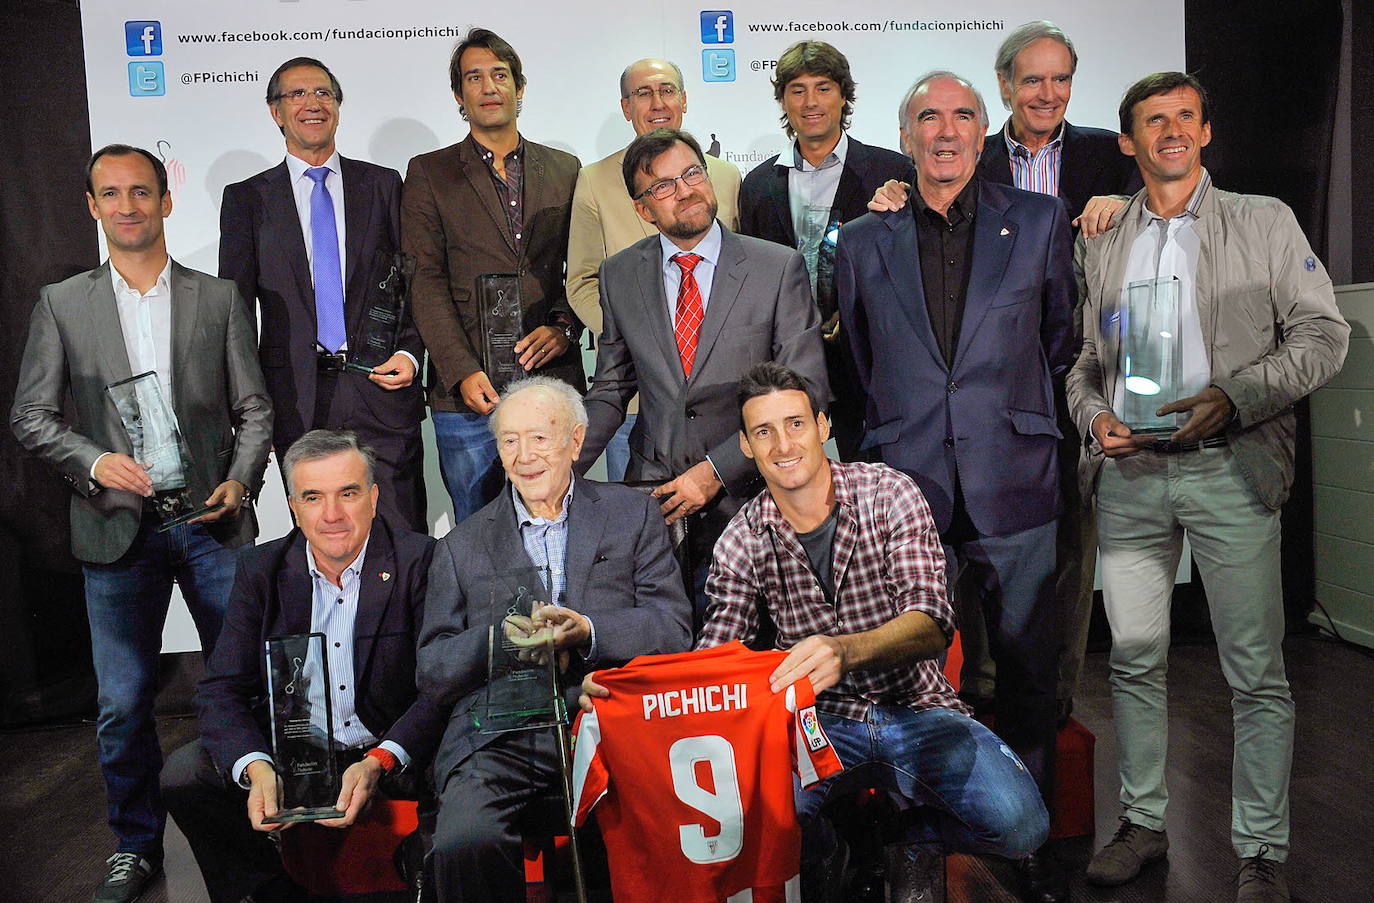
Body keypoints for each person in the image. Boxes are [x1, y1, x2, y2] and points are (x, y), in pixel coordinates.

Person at [584, 362, 1050, 903]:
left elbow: (932, 623)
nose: (784, 444)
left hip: (919, 709)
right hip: (817, 723)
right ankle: (834, 848)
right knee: (758, 823)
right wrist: (624, 693)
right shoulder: (742, 538)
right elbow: (717, 658)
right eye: (764, 432)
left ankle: (910, 834)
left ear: (823, 427)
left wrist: (843, 651)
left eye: (796, 424)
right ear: (746, 446)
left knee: (1022, 827)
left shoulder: (890, 493)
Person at [1067, 72, 1348, 903]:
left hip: (1232, 467)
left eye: (1185, 117)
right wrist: (1092, 420)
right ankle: (1144, 823)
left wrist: (1237, 397)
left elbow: (1324, 334)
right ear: (1129, 142)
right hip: (1130, 474)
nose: (1172, 131)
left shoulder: (1263, 220)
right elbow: (1087, 362)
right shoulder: (1104, 236)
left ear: (1206, 130)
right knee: (1135, 657)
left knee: (1255, 671)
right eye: (1154, 121)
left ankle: (1260, 849)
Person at [835, 71, 1075, 902]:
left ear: (985, 131)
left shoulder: (1040, 221)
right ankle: (919, 840)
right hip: (907, 486)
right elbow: (859, 363)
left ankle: (1026, 842)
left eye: (962, 115)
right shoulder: (863, 239)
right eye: (927, 117)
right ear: (905, 136)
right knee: (907, 672)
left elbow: (1058, 341)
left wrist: (1006, 418)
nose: (945, 131)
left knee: (1027, 669)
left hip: (1015, 479)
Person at [10, 144, 272, 903]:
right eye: (111, 194)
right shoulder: (63, 303)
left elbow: (253, 407)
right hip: (113, 525)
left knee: (241, 683)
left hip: (212, 522)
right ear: (92, 206)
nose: (128, 206)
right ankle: (133, 844)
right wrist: (93, 461)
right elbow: (30, 414)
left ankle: (256, 827)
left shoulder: (218, 298)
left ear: (165, 201)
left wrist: (240, 478)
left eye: (141, 192)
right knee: (123, 703)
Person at [419, 377, 693, 902]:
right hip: (501, 736)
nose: (524, 456)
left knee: (651, 835)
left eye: (540, 438)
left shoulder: (630, 514)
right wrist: (500, 641)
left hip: (613, 720)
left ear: (575, 441)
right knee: (464, 839)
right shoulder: (460, 546)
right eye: (509, 441)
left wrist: (589, 631)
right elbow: (433, 669)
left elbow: (672, 625)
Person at [161, 430, 445, 903]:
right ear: (294, 506)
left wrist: (382, 758)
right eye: (313, 497)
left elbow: (440, 687)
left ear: (374, 498)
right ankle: (272, 893)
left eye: (348, 493)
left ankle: (422, 873)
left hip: (390, 745)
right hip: (298, 749)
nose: (331, 515)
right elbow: (221, 688)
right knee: (185, 775)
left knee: (461, 761)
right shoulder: (261, 570)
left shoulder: (421, 560)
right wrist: (256, 767)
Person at [575, 127, 828, 618]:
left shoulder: (776, 268)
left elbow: (807, 389)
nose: (686, 190)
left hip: (752, 493)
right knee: (666, 650)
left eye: (692, 173)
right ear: (643, 209)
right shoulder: (619, 273)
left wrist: (716, 471)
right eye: (664, 186)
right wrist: (562, 467)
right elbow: (611, 385)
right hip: (654, 498)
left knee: (745, 657)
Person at [220, 57, 427, 532]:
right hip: (295, 396)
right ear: (276, 112)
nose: (312, 103)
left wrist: (410, 353)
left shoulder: (382, 184)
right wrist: (252, 406)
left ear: (337, 106)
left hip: (379, 385)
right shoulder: (247, 199)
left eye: (323, 94)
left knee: (402, 532)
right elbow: (235, 317)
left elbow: (414, 280)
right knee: (323, 535)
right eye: (297, 95)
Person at [403, 28, 583, 521]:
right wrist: (460, 369)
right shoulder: (428, 173)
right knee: (480, 532)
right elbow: (425, 281)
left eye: (500, 75)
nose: (489, 87)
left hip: (553, 383)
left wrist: (566, 326)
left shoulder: (566, 168)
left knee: (563, 520)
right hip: (469, 396)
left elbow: (585, 266)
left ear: (519, 88)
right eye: (474, 78)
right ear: (459, 96)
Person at [737, 41, 914, 460]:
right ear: (783, 99)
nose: (810, 102)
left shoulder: (893, 172)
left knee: (873, 491)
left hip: (873, 368)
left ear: (844, 95)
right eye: (797, 90)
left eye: (823, 88)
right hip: (787, 365)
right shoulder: (759, 184)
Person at [566, 57, 741, 480]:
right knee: (638, 527)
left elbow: (743, 278)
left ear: (684, 100)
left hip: (726, 402)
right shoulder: (593, 180)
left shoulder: (726, 176)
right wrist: (639, 341)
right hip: (635, 400)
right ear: (626, 108)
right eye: (643, 93)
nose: (657, 102)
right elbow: (583, 282)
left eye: (666, 90)